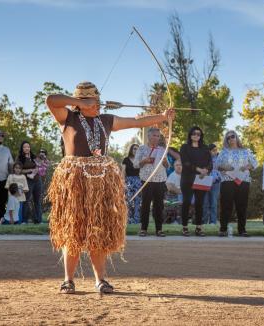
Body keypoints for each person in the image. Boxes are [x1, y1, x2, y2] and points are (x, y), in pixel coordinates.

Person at [46, 81, 174, 295]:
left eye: (97, 100)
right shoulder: (67, 117)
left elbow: (135, 121)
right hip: (74, 180)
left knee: (98, 230)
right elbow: (51, 100)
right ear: (82, 102)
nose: (98, 104)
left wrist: (162, 117)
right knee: (73, 230)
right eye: (93, 101)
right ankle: (68, 280)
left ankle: (101, 280)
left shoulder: (105, 120)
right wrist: (81, 103)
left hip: (101, 180)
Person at [216, 130, 258, 237]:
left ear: (236, 137)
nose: (231, 139)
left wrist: (247, 166)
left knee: (242, 206)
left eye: (232, 136)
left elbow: (255, 163)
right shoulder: (223, 152)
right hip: (228, 181)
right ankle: (223, 229)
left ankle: (242, 230)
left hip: (243, 181)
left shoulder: (246, 151)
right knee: (226, 205)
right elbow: (217, 165)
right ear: (226, 140)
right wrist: (224, 167)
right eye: (228, 138)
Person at [134, 128, 169, 237]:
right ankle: (143, 229)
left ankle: (159, 229)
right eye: (154, 135)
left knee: (159, 205)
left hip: (160, 179)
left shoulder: (162, 149)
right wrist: (145, 161)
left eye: (158, 136)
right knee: (145, 204)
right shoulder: (142, 149)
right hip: (147, 180)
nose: (156, 138)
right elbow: (135, 164)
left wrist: (165, 161)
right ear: (148, 136)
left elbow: (167, 166)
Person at [179, 127, 212, 236]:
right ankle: (184, 227)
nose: (196, 135)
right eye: (194, 133)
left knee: (200, 203)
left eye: (198, 134)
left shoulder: (205, 148)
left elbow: (210, 162)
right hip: (188, 178)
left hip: (201, 178)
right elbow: (186, 163)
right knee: (187, 202)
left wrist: (206, 170)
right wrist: (199, 169)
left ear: (201, 135)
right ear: (190, 135)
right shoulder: (184, 147)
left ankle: (199, 227)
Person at [16, 141, 43, 224]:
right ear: (22, 148)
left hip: (37, 180)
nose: (27, 148)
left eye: (28, 147)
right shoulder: (20, 158)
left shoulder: (34, 157)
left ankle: (38, 220)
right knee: (26, 200)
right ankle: (24, 220)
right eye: (25, 147)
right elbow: (18, 170)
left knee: (37, 201)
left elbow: (41, 166)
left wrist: (38, 169)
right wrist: (30, 170)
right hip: (27, 181)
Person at [122, 144, 141, 224]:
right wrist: (123, 183)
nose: (135, 150)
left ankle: (136, 219)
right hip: (129, 181)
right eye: (134, 149)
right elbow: (123, 172)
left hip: (138, 181)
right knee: (129, 200)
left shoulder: (140, 160)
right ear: (131, 150)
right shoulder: (126, 159)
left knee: (138, 200)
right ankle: (129, 219)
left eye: (137, 149)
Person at [203, 144, 221, 225]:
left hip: (215, 183)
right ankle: (204, 221)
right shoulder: (204, 159)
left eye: (216, 150)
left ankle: (213, 221)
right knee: (205, 203)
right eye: (213, 150)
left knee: (214, 203)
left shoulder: (219, 158)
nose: (215, 152)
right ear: (209, 151)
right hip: (205, 182)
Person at [165, 160, 183, 224]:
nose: (179, 167)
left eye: (180, 165)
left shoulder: (185, 175)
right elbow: (169, 187)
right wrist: (180, 192)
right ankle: (175, 220)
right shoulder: (172, 175)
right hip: (174, 196)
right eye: (177, 165)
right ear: (174, 167)